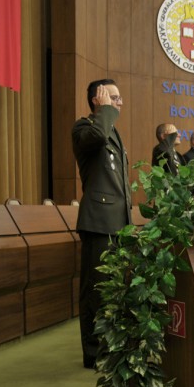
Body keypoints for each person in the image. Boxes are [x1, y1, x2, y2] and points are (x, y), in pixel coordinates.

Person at [72, 79, 133, 369]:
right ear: (98, 99)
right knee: (95, 290)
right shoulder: (84, 128)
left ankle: (113, 345)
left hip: (119, 222)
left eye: (119, 99)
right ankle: (94, 353)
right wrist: (104, 111)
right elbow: (95, 138)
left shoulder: (112, 131)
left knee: (114, 289)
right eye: (114, 97)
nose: (119, 103)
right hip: (98, 221)